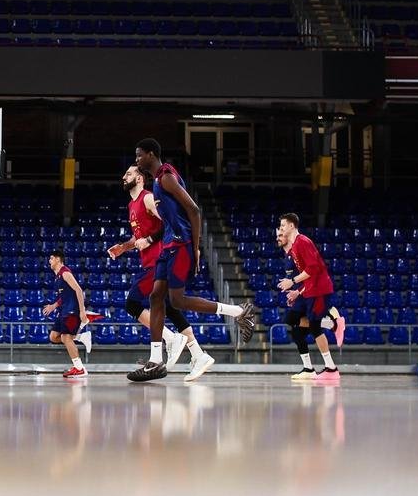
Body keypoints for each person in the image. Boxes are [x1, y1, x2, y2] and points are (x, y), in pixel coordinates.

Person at [129, 138, 256, 382]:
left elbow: (194, 210)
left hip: (181, 244)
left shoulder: (166, 177)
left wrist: (195, 247)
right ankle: (155, 360)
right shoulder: (158, 181)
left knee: (177, 300)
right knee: (156, 296)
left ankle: (239, 311)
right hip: (169, 245)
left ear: (151, 154)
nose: (137, 159)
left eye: (139, 155)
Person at [108, 166, 214, 382]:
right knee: (170, 308)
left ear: (139, 178)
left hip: (159, 261)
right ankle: (198, 355)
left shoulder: (148, 198)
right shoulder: (131, 205)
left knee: (132, 303)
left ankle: (170, 338)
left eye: (128, 174)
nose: (123, 177)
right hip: (150, 261)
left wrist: (149, 240)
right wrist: (124, 247)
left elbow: (169, 224)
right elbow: (139, 236)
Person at [277, 213, 345, 383]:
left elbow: (314, 268)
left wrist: (292, 282)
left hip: (318, 289)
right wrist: (297, 291)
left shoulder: (303, 242)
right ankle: (311, 368)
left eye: (283, 226)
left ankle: (331, 367)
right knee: (296, 327)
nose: (281, 229)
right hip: (309, 290)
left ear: (291, 226)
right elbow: (306, 272)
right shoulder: (294, 247)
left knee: (314, 326)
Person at [42, 252, 89, 379]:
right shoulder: (57, 276)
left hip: (72, 311)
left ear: (58, 259)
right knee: (54, 337)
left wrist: (82, 311)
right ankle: (80, 337)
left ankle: (79, 368)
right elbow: (64, 296)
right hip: (63, 311)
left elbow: (78, 290)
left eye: (51, 258)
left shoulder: (65, 273)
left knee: (66, 337)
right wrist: (53, 306)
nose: (49, 261)